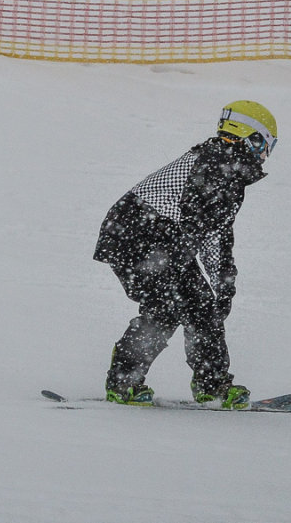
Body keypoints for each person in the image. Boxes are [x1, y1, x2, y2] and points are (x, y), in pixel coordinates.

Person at [93, 100, 278, 408]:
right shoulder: (216, 161)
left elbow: (216, 234)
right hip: (136, 236)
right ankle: (127, 381)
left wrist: (223, 286)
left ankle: (209, 385)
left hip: (160, 241)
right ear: (253, 137)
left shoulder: (228, 169)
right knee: (172, 306)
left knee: (195, 307)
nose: (265, 155)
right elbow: (198, 221)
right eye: (267, 146)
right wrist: (208, 280)